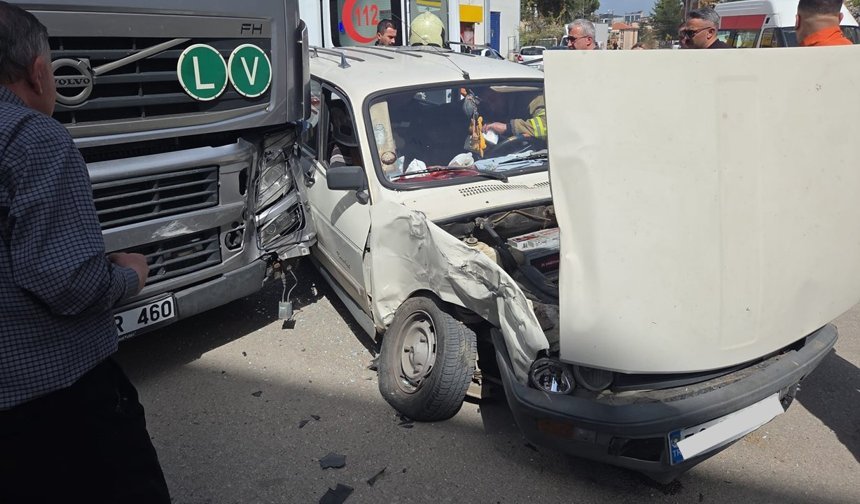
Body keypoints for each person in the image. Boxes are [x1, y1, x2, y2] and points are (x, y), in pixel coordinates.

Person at [0, 3, 170, 502]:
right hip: (57, 401)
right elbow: (69, 283)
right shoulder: (32, 139)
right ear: (37, 72)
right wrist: (129, 276)